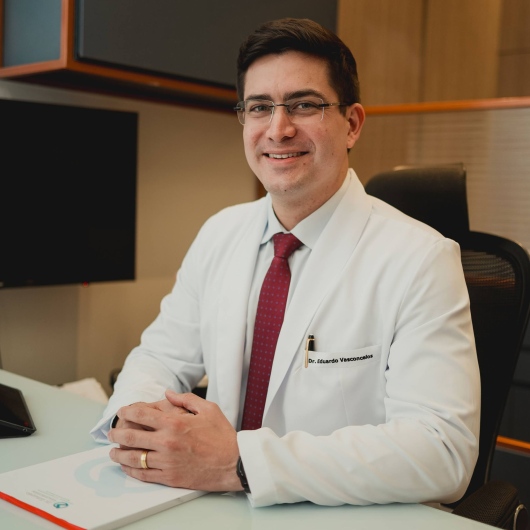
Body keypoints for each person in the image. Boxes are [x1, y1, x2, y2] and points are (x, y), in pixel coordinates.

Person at [91, 17, 480, 508]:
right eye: (259, 107)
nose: (278, 129)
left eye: (304, 104)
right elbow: (161, 357)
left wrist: (241, 461)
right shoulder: (220, 232)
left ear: (352, 124)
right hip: (220, 508)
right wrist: (134, 421)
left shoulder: (420, 259)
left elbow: (442, 450)